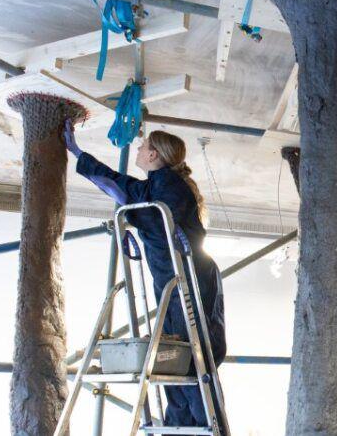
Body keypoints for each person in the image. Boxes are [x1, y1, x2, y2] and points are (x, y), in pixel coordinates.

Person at [63, 122, 227, 427]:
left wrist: (130, 219)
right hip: (173, 284)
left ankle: (207, 427)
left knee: (192, 360)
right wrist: (79, 155)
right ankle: (178, 429)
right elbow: (123, 189)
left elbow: (140, 204)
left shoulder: (170, 187)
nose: (137, 149)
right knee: (173, 361)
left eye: (142, 146)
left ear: (154, 155)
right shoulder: (158, 184)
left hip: (190, 283)